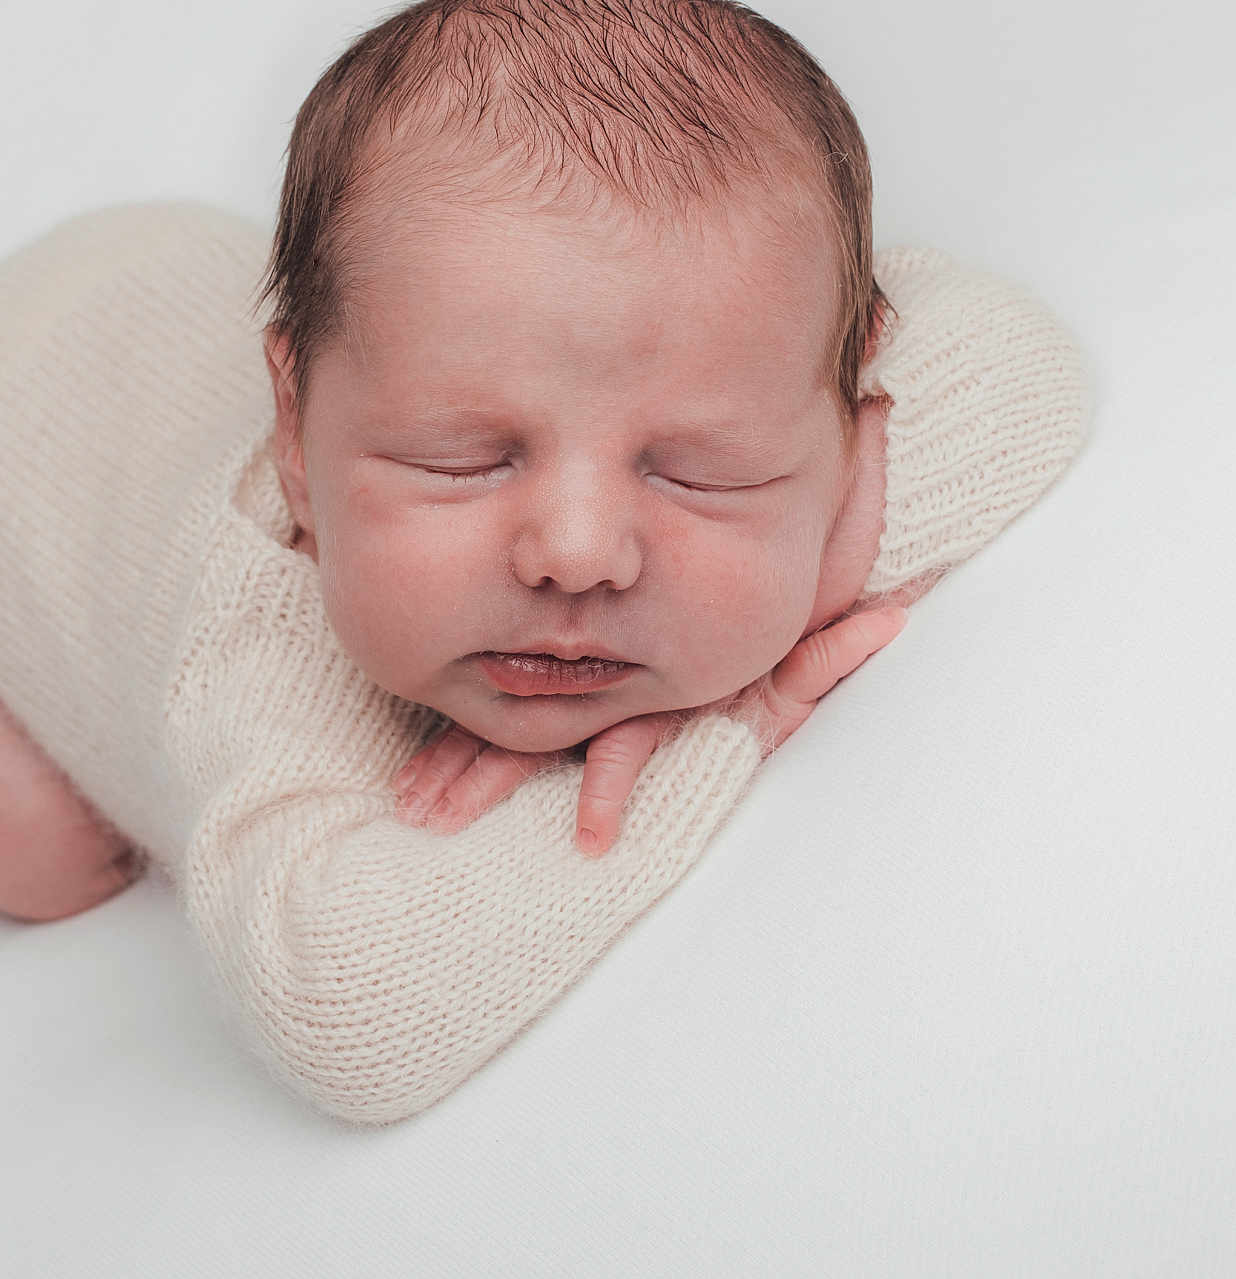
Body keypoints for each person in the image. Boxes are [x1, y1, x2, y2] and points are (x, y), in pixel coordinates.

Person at [0, 0, 1089, 1124]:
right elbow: (344, 1008)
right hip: (30, 400)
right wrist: (731, 721)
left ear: (854, 410)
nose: (577, 556)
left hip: (178, 283)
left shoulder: (759, 357)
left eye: (700, 472)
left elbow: (1025, 369)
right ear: (294, 437)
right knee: (51, 858)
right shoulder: (258, 635)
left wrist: (752, 607)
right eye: (462, 460)